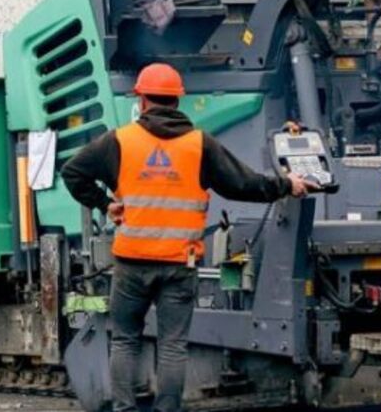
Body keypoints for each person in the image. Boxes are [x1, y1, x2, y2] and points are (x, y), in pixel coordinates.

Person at [61, 62, 316, 412]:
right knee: (172, 346)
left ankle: (124, 409)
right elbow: (244, 184)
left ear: (143, 101)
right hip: (179, 265)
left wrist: (106, 204)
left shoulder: (120, 142)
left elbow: (72, 171)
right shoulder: (200, 145)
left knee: (124, 341)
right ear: (177, 102)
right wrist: (288, 184)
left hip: (132, 265)